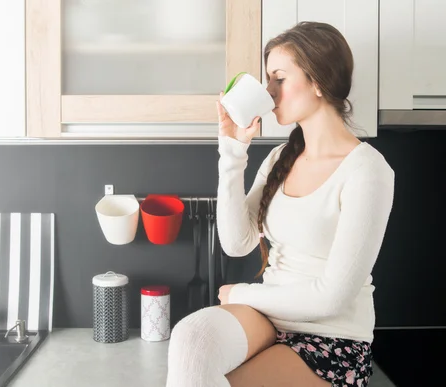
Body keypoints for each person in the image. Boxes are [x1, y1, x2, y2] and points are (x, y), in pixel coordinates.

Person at [166, 21, 395, 387]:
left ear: (318, 80)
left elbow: (332, 299)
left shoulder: (368, 171)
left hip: (333, 337)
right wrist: (232, 149)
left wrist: (240, 293)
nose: (268, 92)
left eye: (279, 79)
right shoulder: (279, 158)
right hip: (268, 316)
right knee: (191, 339)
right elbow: (236, 242)